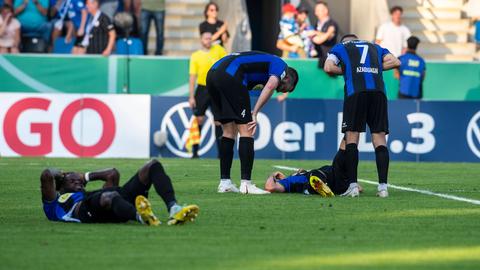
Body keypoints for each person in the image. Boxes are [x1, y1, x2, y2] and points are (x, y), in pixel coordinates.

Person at [207, 51, 299, 195]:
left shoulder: (261, 70)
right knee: (247, 130)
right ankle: (247, 184)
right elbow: (270, 86)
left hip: (212, 74)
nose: (279, 91)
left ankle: (225, 182)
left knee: (229, 131)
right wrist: (254, 113)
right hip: (231, 75)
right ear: (287, 78)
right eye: (284, 89)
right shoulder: (281, 66)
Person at [324, 34, 400, 198]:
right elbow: (396, 61)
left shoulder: (341, 47)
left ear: (345, 41)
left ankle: (353, 186)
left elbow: (328, 67)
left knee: (352, 137)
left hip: (356, 92)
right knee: (379, 138)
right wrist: (373, 68)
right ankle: (383, 187)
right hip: (378, 92)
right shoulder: (375, 47)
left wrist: (348, 70)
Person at [40, 159, 199, 226]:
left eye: (80, 182)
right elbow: (47, 175)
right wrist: (62, 174)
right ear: (60, 186)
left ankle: (174, 208)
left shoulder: (87, 193)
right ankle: (143, 217)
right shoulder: (54, 203)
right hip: (86, 212)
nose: (78, 182)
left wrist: (86, 176)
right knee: (109, 196)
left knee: (152, 165)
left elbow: (112, 174)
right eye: (72, 181)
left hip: (114, 202)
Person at [265, 140, 364, 196]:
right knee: (314, 174)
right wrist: (273, 174)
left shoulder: (296, 176)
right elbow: (270, 187)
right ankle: (322, 185)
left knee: (346, 144)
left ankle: (330, 186)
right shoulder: (288, 181)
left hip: (335, 176)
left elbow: (360, 188)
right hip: (318, 178)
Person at [189, 31, 226, 158]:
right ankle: (195, 152)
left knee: (218, 121)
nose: (208, 40)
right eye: (206, 38)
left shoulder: (219, 50)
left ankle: (221, 154)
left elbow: (227, 64)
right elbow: (192, 76)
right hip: (202, 89)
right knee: (198, 119)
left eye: (210, 38)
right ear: (201, 40)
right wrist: (191, 96)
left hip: (216, 88)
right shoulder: (195, 56)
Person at [311, 1, 338, 68]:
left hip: (328, 60)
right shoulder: (317, 24)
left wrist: (316, 33)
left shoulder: (332, 24)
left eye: (318, 10)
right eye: (316, 10)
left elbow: (326, 38)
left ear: (325, 11)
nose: (316, 13)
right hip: (318, 59)